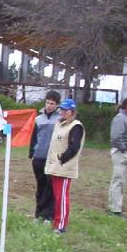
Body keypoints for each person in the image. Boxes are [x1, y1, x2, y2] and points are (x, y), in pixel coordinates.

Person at [44, 98, 85, 234]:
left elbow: (74, 147)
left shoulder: (76, 126)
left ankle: (61, 225)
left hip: (64, 167)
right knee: (57, 196)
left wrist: (62, 159)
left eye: (64, 110)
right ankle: (56, 221)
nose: (61, 112)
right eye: (61, 109)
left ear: (72, 112)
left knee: (62, 197)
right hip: (56, 166)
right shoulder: (60, 124)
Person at [28, 90, 61, 222]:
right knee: (40, 186)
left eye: (52, 103)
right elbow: (34, 137)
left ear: (57, 105)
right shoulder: (38, 119)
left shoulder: (60, 119)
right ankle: (39, 213)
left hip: (52, 158)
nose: (49, 105)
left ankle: (48, 214)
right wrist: (32, 153)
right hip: (39, 157)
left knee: (50, 187)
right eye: (47, 102)